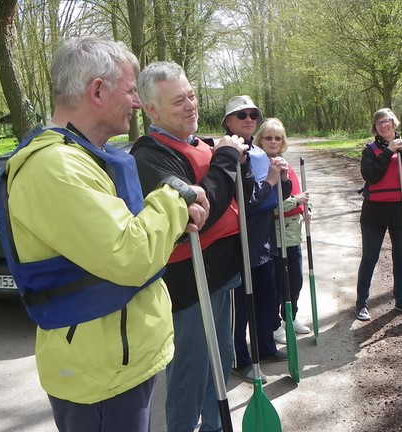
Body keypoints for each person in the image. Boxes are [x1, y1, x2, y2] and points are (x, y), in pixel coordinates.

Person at [0, 37, 209, 432]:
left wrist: (172, 220)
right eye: (130, 90)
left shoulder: (88, 157)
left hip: (120, 362)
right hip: (100, 377)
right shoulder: (54, 167)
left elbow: (122, 232)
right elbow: (130, 253)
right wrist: (176, 198)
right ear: (97, 90)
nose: (136, 102)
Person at [129, 62, 248, 432]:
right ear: (152, 110)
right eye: (178, 100)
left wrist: (228, 156)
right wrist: (227, 158)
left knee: (221, 360)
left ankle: (215, 427)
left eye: (192, 96)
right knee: (190, 371)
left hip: (220, 275)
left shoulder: (199, 144)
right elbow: (197, 214)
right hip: (189, 283)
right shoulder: (149, 156)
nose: (191, 105)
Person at [224, 96, 292, 382]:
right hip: (239, 245)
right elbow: (246, 204)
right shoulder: (226, 155)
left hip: (264, 242)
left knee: (265, 299)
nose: (249, 119)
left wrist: (283, 179)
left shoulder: (259, 153)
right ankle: (241, 359)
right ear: (228, 122)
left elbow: (278, 197)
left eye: (253, 114)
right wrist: (271, 183)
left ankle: (264, 347)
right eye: (242, 115)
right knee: (242, 306)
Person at [355, 108, 402, 321]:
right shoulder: (370, 151)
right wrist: (388, 152)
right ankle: (361, 303)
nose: (383, 125)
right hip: (374, 213)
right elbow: (372, 176)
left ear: (395, 123)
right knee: (370, 257)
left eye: (387, 121)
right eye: (379, 122)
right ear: (375, 127)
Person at [254, 118, 312, 344]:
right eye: (268, 137)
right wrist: (295, 201)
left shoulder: (284, 163)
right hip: (273, 234)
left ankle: (291, 317)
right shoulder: (260, 166)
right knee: (278, 282)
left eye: (278, 138)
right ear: (261, 140)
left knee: (295, 280)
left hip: (292, 234)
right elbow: (268, 202)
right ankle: (275, 324)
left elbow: (298, 193)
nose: (273, 141)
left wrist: (306, 208)